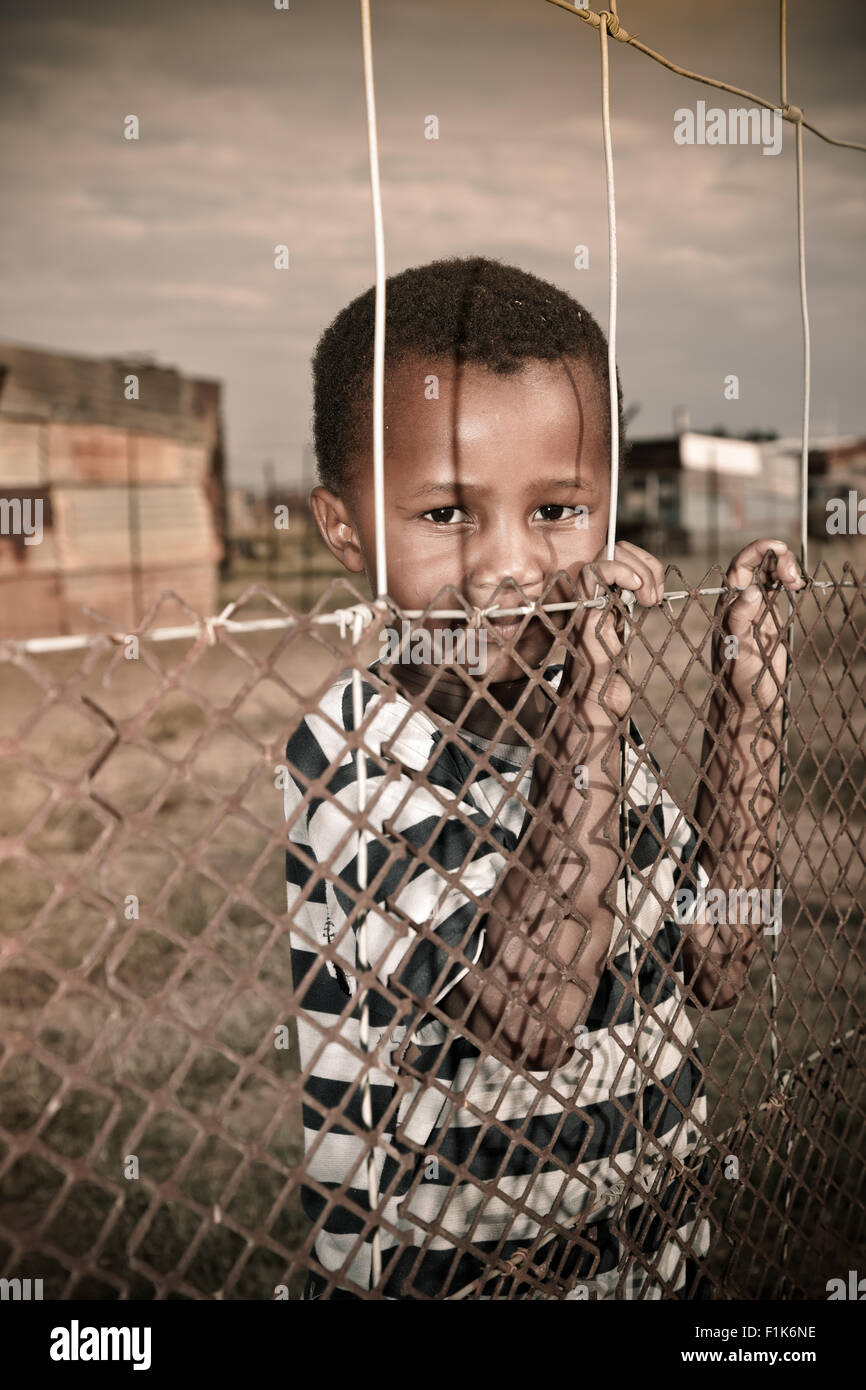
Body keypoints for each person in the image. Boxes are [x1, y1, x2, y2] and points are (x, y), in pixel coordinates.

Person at [283, 256, 804, 1299]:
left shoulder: (582, 718)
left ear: (607, 512)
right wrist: (596, 699)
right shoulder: (352, 746)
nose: (508, 566)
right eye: (444, 515)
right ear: (345, 528)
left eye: (557, 509)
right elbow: (530, 1018)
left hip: (655, 1258)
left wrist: (746, 696)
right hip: (465, 1277)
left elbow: (718, 962)